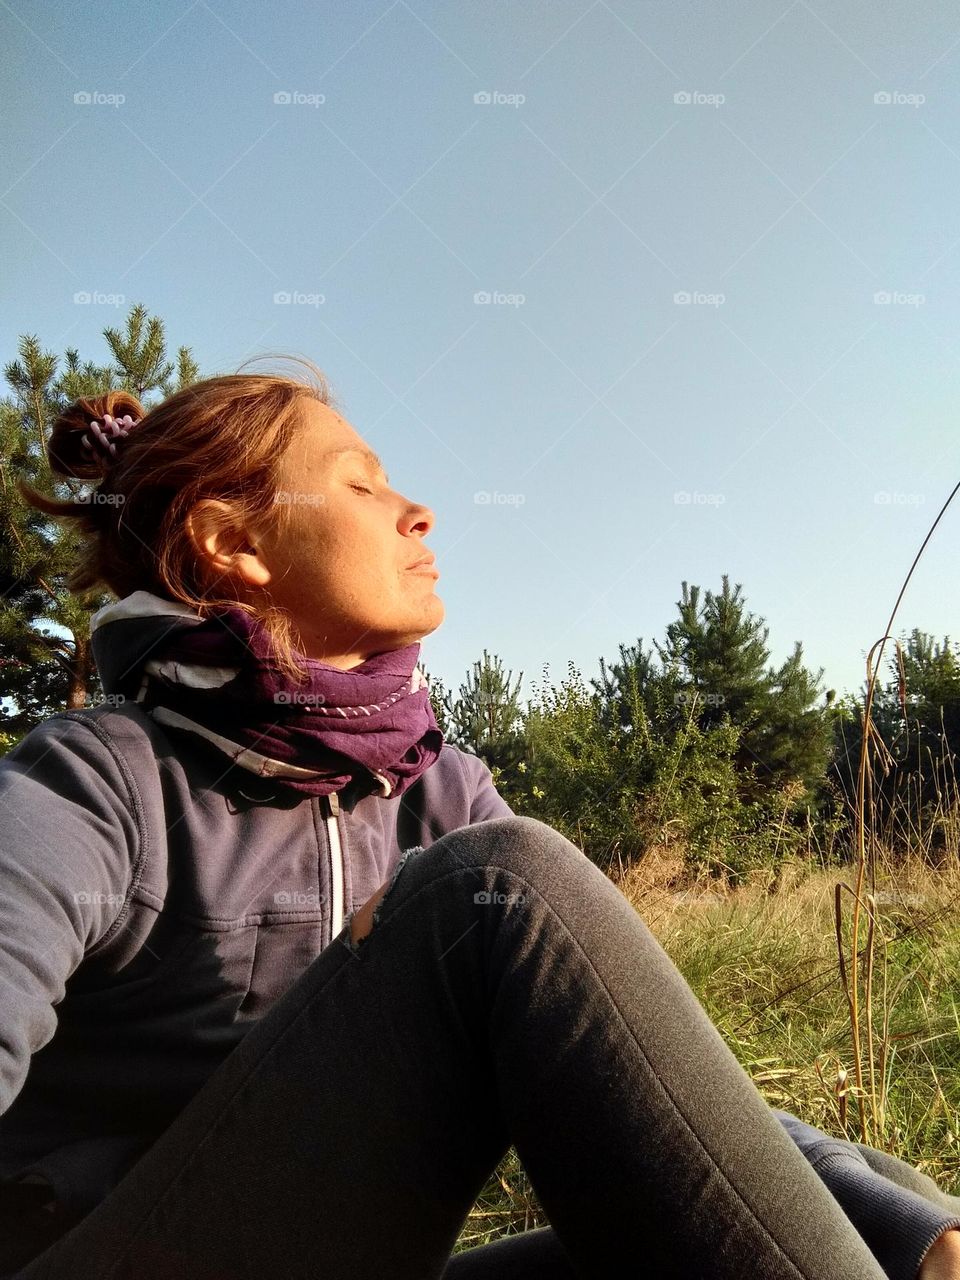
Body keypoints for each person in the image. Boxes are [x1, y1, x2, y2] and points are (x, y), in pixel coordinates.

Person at [0, 360, 957, 1279]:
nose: (419, 511)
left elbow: (664, 1097)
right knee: (496, 885)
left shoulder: (438, 789)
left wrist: (917, 1233)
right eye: (362, 486)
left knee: (879, 1210)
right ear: (236, 544)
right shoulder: (102, 774)